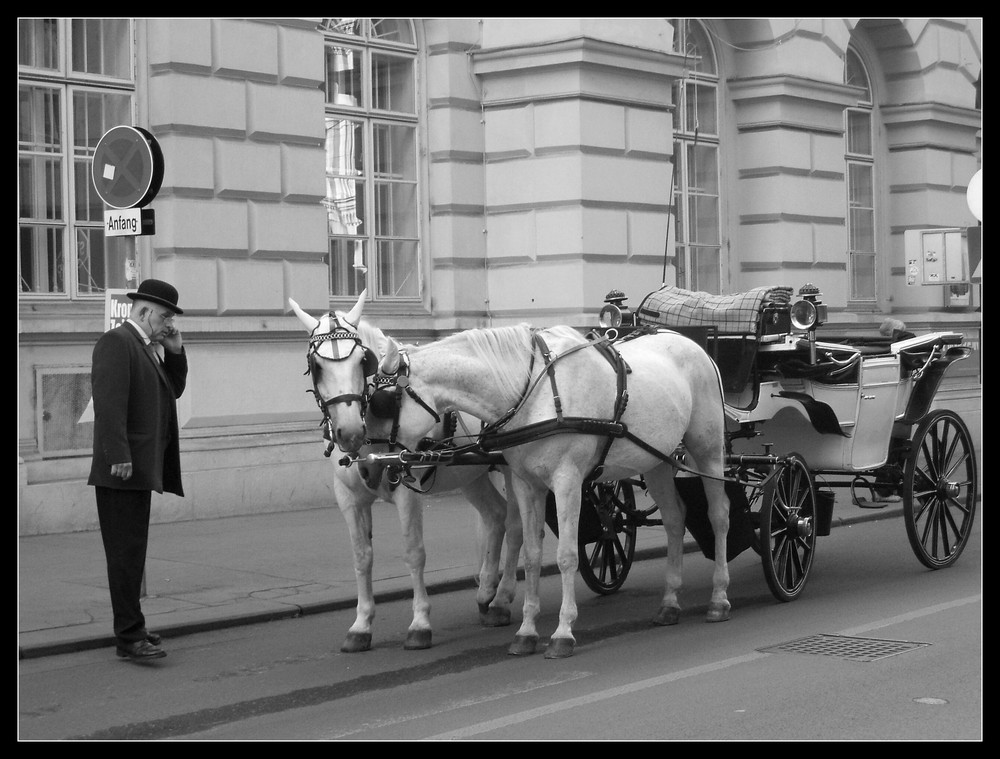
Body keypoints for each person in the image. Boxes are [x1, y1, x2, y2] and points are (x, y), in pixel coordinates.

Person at [88, 279, 188, 661]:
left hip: (138, 468)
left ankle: (134, 626)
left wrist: (175, 351)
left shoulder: (148, 349)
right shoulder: (117, 343)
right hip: (121, 470)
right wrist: (118, 454)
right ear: (143, 311)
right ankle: (129, 637)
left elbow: (173, 390)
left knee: (132, 552)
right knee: (125, 555)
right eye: (164, 317)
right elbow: (109, 403)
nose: (168, 325)